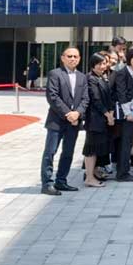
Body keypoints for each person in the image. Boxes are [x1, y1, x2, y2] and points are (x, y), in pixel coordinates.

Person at [40, 47, 89, 195]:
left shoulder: (82, 77)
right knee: (50, 152)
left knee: (68, 152)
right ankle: (47, 183)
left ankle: (61, 181)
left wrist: (77, 113)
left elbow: (85, 99)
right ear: (62, 58)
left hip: (74, 122)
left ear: (79, 59)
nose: (73, 59)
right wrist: (68, 114)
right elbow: (52, 97)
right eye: (69, 56)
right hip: (57, 121)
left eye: (75, 56)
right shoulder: (55, 74)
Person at [111, 47, 133, 182]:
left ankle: (123, 170)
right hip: (125, 114)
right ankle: (122, 173)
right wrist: (128, 113)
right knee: (125, 142)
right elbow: (121, 94)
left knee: (128, 142)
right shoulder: (123, 73)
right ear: (129, 59)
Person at [83, 53, 114, 188]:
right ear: (93, 64)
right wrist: (108, 114)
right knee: (91, 148)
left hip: (103, 118)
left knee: (99, 147)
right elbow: (95, 99)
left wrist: (111, 112)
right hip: (94, 119)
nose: (102, 66)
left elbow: (108, 97)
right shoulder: (90, 78)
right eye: (99, 64)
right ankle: (89, 177)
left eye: (104, 63)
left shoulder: (101, 77)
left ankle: (94, 172)